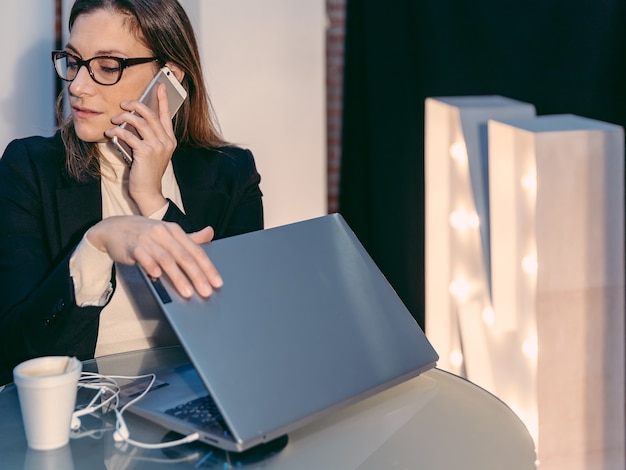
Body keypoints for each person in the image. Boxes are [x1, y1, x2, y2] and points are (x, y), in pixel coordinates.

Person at [0, 0, 263, 385]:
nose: (78, 85)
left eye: (108, 67)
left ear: (169, 77)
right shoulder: (29, 167)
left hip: (199, 398)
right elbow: (17, 350)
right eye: (73, 61)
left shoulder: (231, 173)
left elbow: (239, 336)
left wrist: (152, 200)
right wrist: (97, 244)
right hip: (84, 409)